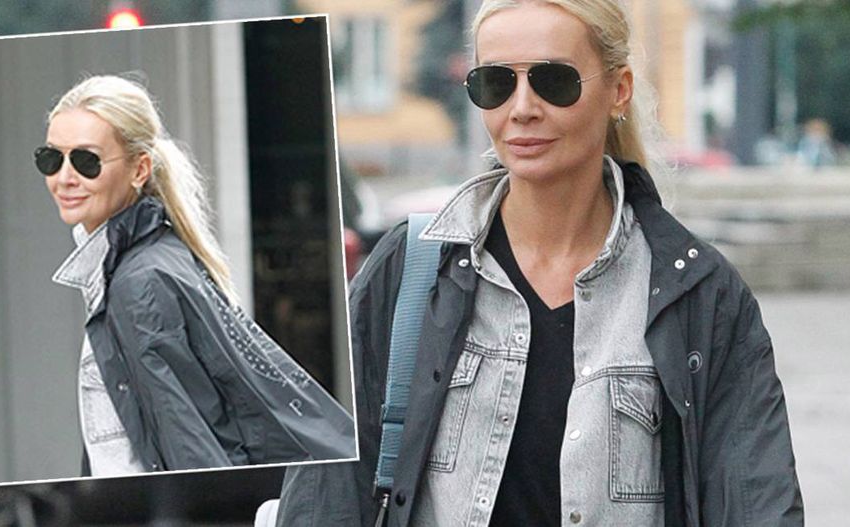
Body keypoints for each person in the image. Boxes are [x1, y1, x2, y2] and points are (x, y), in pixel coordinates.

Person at [277, 1, 803, 525]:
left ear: (618, 90)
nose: (522, 107)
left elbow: (756, 505)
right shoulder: (410, 272)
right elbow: (322, 498)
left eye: (554, 81)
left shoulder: (699, 294)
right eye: (495, 83)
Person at [39, 75, 355, 477]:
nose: (64, 178)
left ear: (140, 169)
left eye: (87, 161)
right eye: (51, 159)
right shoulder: (154, 258)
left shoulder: (140, 284)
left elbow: (187, 445)